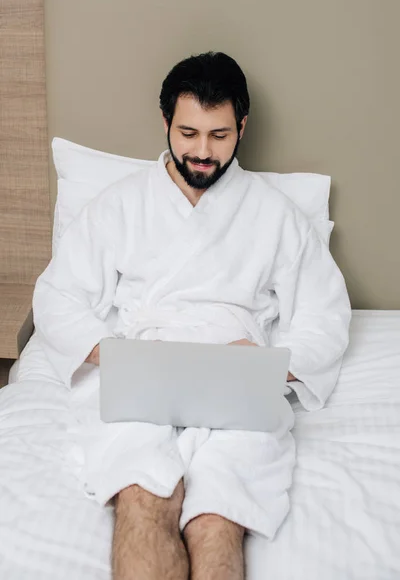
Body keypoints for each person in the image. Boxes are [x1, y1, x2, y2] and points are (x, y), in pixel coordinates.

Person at [32, 52, 351, 580]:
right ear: (165, 124)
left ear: (242, 127)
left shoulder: (275, 216)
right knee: (141, 497)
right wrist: (112, 355)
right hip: (141, 375)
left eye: (220, 135)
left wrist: (271, 364)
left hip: (238, 384)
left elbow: (326, 316)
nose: (202, 151)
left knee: (217, 518)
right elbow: (58, 298)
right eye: (188, 133)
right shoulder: (119, 206)